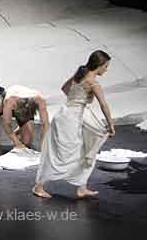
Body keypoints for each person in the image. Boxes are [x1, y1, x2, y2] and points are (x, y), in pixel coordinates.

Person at [33, 51, 115, 199]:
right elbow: (104, 105)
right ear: (100, 65)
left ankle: (81, 187)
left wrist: (76, 100)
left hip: (66, 115)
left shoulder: (79, 75)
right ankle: (38, 186)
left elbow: (64, 88)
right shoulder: (93, 83)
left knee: (83, 151)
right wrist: (111, 125)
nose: (106, 70)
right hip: (70, 120)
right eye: (106, 66)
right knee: (65, 155)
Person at [0, 85, 50, 150]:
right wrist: (17, 143)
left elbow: (45, 124)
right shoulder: (10, 100)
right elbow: (6, 124)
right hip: (7, 98)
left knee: (26, 141)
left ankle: (18, 130)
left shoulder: (40, 100)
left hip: (24, 104)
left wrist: (43, 147)